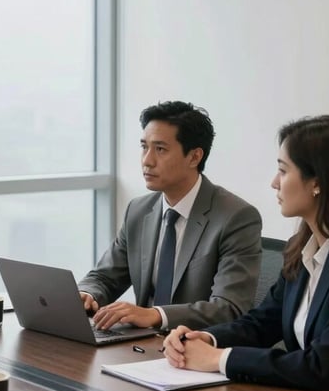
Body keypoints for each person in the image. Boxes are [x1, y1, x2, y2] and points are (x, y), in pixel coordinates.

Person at [163, 115, 329, 391]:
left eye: (283, 170)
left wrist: (219, 359)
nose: (274, 182)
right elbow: (261, 324)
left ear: (318, 182)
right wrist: (203, 339)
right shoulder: (302, 248)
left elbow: (322, 366)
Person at [77, 100, 262, 331]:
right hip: (139, 345)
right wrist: (86, 294)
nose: (147, 160)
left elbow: (229, 308)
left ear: (194, 157)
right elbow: (104, 277)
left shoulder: (236, 217)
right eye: (144, 147)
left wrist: (155, 315)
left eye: (160, 149)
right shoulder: (139, 210)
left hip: (196, 349)